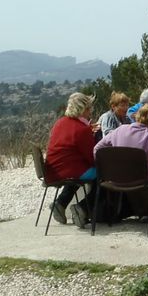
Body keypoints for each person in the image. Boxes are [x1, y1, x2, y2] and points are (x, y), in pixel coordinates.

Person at [45, 92, 100, 228]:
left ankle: (61, 203)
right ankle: (82, 208)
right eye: (89, 108)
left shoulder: (60, 122)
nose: (90, 112)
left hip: (53, 170)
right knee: (105, 176)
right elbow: (92, 158)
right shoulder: (82, 130)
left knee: (79, 171)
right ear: (83, 109)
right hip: (70, 171)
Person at [94, 105, 148, 185]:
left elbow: (97, 148)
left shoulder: (119, 129)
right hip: (140, 177)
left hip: (115, 176)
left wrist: (105, 168)